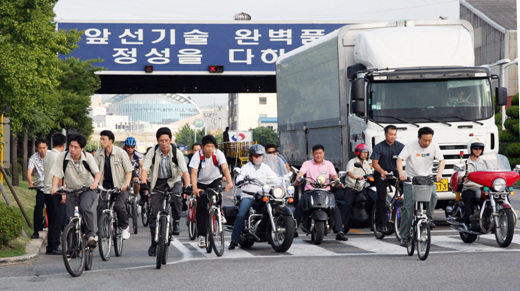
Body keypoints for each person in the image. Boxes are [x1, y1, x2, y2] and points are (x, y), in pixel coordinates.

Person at [140, 127, 191, 256]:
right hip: (158, 183)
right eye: (161, 140)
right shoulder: (152, 152)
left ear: (170, 140)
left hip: (174, 181)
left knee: (177, 198)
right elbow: (145, 169)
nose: (164, 143)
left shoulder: (176, 152)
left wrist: (188, 186)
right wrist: (143, 184)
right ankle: (154, 242)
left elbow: (185, 171)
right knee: (154, 214)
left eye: (166, 140)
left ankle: (177, 221)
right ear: (157, 141)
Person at [50, 134, 102, 246]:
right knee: (69, 218)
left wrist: (95, 183)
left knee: (84, 208)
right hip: (70, 191)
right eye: (71, 146)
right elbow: (56, 174)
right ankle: (72, 247)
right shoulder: (63, 157)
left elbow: (97, 173)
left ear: (82, 148)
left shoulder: (88, 157)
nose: (72, 149)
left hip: (87, 189)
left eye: (76, 147)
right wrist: (54, 186)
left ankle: (90, 235)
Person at [397, 127, 444, 247]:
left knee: (433, 196)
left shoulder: (434, 145)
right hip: (411, 180)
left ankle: (428, 219)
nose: (427, 143)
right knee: (408, 207)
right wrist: (401, 174)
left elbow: (441, 160)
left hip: (427, 179)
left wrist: (439, 174)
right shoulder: (410, 145)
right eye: (424, 140)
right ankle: (404, 236)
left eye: (429, 140)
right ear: (419, 138)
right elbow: (399, 159)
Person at [228, 144, 280, 250]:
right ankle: (234, 241)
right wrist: (241, 180)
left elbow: (275, 178)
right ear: (251, 157)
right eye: (256, 156)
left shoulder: (266, 168)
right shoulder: (246, 167)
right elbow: (239, 178)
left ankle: (270, 233)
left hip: (262, 195)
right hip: (248, 196)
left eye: (260, 156)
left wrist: (281, 179)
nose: (258, 158)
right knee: (241, 215)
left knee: (274, 208)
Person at [293, 144, 348, 241]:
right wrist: (298, 179)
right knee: (300, 205)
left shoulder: (328, 164)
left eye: (320, 153)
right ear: (312, 154)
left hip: (325, 190)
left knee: (334, 207)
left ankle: (339, 231)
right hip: (310, 190)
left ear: (324, 153)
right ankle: (293, 229)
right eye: (316, 153)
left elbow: (334, 175)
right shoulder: (307, 164)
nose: (318, 155)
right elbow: (301, 173)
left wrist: (338, 182)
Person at [190, 135, 233, 248]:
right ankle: (202, 237)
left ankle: (220, 212)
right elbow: (193, 173)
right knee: (201, 208)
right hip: (201, 182)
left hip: (215, 179)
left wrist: (229, 182)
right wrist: (195, 188)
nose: (210, 149)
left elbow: (224, 168)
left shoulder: (218, 154)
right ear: (203, 147)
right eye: (207, 146)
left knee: (217, 194)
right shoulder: (197, 155)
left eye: (212, 146)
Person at [94, 130, 134, 240]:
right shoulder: (98, 154)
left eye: (103, 139)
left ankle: (125, 227)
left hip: (120, 186)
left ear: (111, 141)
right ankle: (101, 231)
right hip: (105, 186)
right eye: (100, 139)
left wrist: (126, 184)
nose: (101, 142)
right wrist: (95, 183)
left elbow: (129, 171)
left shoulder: (121, 153)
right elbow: (94, 170)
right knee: (100, 207)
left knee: (118, 206)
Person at [371, 125, 405, 233]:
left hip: (395, 173)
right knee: (381, 197)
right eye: (390, 134)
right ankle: (380, 224)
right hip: (381, 174)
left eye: (394, 135)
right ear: (385, 134)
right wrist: (382, 172)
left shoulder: (400, 146)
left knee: (406, 189)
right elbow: (374, 163)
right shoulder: (379, 147)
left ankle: (396, 209)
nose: (392, 137)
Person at [336, 144, 373, 231]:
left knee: (371, 201)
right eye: (363, 152)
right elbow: (349, 172)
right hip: (352, 187)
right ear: (358, 152)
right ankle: (341, 225)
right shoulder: (352, 162)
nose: (365, 154)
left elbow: (369, 173)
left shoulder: (366, 163)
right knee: (348, 204)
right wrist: (356, 177)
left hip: (362, 187)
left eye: (366, 153)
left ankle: (373, 223)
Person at [41, 134, 66, 254]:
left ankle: (52, 245)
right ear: (64, 144)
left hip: (46, 191)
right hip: (55, 191)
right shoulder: (59, 157)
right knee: (57, 221)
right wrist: (63, 192)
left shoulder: (48, 155)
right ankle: (53, 246)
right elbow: (59, 175)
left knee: (52, 220)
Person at [456, 138, 485, 224]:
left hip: (483, 188)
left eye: (480, 148)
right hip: (470, 187)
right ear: (471, 149)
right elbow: (459, 177)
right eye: (475, 148)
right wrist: (463, 177)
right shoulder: (464, 163)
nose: (478, 150)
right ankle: (469, 218)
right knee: (469, 197)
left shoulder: (485, 162)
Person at [28, 138, 51, 239]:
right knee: (38, 207)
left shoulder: (52, 155)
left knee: (54, 209)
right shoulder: (34, 157)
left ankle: (58, 231)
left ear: (47, 147)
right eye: (40, 148)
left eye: (44, 148)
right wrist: (30, 182)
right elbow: (29, 171)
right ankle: (36, 231)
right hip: (41, 186)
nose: (42, 150)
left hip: (52, 186)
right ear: (36, 148)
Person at [123, 136, 144, 203]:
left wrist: (140, 176)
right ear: (125, 146)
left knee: (137, 183)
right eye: (128, 147)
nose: (130, 149)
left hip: (132, 171)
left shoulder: (136, 154)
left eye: (132, 147)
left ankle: (134, 197)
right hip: (123, 172)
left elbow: (141, 165)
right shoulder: (122, 153)